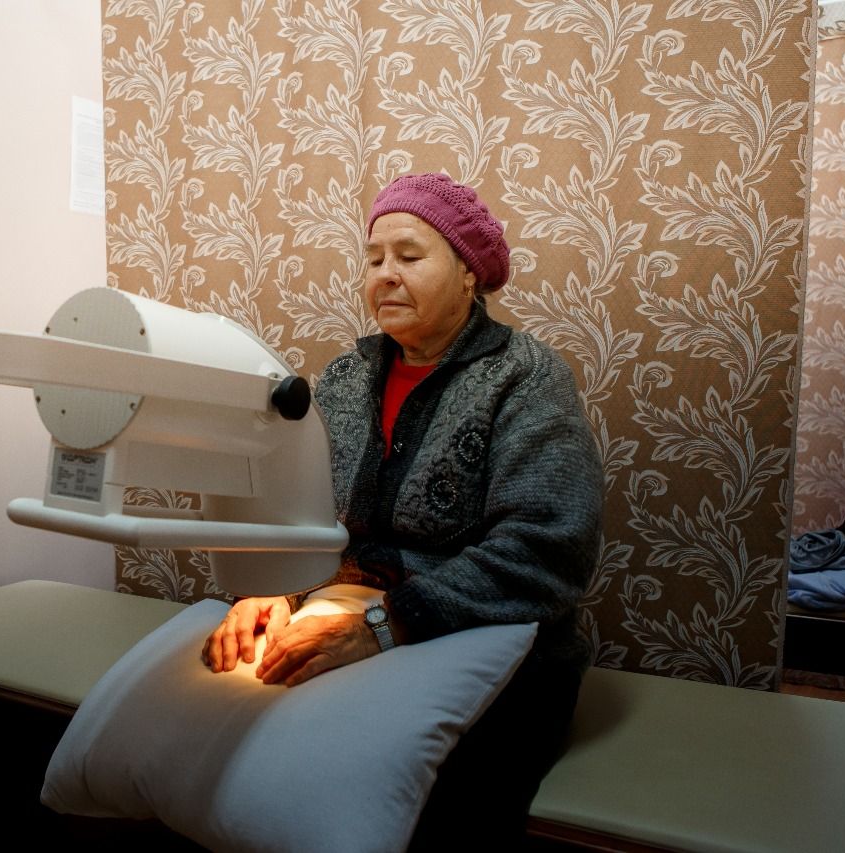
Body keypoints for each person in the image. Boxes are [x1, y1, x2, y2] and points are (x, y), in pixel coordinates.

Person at [202, 172, 604, 844]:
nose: (385, 274)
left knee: (427, 806)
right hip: (343, 613)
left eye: (410, 256)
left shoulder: (525, 377)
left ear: (469, 274)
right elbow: (302, 514)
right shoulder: (346, 377)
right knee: (232, 735)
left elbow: (549, 548)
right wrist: (273, 587)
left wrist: (386, 625)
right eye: (373, 259)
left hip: (491, 643)